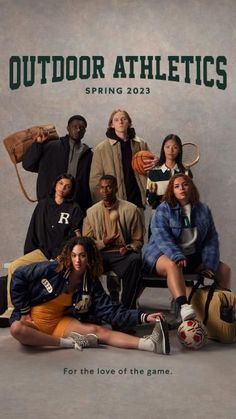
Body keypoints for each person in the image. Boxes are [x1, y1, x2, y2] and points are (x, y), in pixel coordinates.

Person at [9, 237, 170, 355]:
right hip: (32, 324)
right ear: (69, 256)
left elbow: (113, 313)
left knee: (97, 330)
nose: (77, 260)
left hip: (59, 323)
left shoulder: (91, 285)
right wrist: (24, 311)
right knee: (17, 329)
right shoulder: (53, 269)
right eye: (74, 255)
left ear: (89, 258)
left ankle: (150, 344)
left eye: (82, 256)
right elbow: (19, 275)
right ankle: (69, 343)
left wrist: (144, 317)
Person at [143, 174, 231, 322]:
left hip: (190, 255)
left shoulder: (203, 209)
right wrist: (176, 255)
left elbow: (211, 238)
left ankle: (220, 310)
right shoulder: (163, 209)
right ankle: (184, 307)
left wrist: (208, 263)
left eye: (185, 185)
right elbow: (162, 237)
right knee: (173, 265)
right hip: (161, 254)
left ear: (191, 187)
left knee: (224, 270)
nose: (181, 188)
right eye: (176, 186)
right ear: (172, 190)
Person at [7, 174, 83, 304]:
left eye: (67, 186)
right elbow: (33, 230)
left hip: (62, 255)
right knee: (14, 267)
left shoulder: (74, 208)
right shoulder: (42, 205)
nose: (63, 188)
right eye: (60, 183)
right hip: (42, 252)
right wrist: (29, 253)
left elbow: (76, 238)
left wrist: (64, 255)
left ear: (71, 190)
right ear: (55, 185)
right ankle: (12, 308)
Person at [83, 175, 144, 309]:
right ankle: (97, 306)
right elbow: (86, 242)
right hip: (100, 254)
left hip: (121, 254)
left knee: (135, 261)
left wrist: (129, 247)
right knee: (82, 262)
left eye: (109, 187)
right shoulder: (91, 212)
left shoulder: (131, 210)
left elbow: (138, 240)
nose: (105, 191)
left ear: (116, 188)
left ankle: (127, 309)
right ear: (99, 190)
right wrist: (103, 242)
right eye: (102, 188)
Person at [22, 115, 92, 214]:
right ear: (68, 128)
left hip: (75, 207)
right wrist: (38, 144)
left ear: (85, 131)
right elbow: (28, 165)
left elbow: (89, 183)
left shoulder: (88, 154)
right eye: (74, 126)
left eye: (82, 128)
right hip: (49, 204)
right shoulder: (51, 147)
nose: (78, 130)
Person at [89, 109, 157, 210]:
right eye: (116, 120)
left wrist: (156, 162)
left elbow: (153, 170)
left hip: (137, 201)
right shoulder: (101, 149)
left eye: (123, 119)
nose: (120, 122)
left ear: (129, 123)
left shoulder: (141, 144)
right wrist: (103, 204)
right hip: (114, 203)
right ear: (111, 125)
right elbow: (95, 181)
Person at [146, 134, 188, 210]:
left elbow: (189, 198)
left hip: (179, 216)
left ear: (179, 150)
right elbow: (149, 202)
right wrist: (152, 193)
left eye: (175, 147)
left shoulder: (185, 172)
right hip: (159, 217)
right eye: (167, 147)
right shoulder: (154, 172)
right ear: (163, 149)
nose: (170, 150)